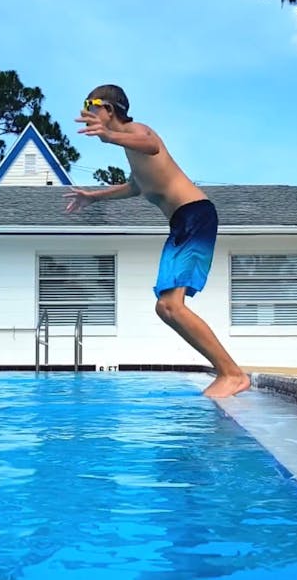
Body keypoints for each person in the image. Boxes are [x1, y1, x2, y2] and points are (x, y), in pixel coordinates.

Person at [64, 84, 250, 398]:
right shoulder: (129, 149)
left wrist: (110, 136)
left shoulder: (137, 131)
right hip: (182, 223)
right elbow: (136, 186)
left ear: (109, 109)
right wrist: (92, 197)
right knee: (165, 307)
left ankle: (232, 374)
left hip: (195, 215)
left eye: (91, 104)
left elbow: (150, 144)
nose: (87, 111)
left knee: (171, 306)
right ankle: (228, 372)